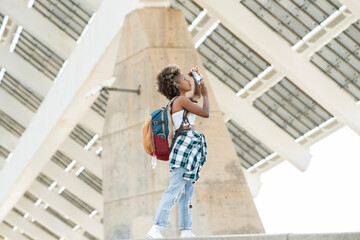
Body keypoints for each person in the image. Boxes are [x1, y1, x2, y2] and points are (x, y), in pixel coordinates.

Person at [146, 64, 210, 238]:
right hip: (184, 145)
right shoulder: (180, 101)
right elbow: (205, 112)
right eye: (184, 79)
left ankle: (186, 230)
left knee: (187, 190)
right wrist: (205, 94)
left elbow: (195, 95)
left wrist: (198, 80)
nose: (187, 80)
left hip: (189, 144)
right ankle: (156, 228)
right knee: (175, 188)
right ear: (176, 84)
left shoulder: (182, 101)